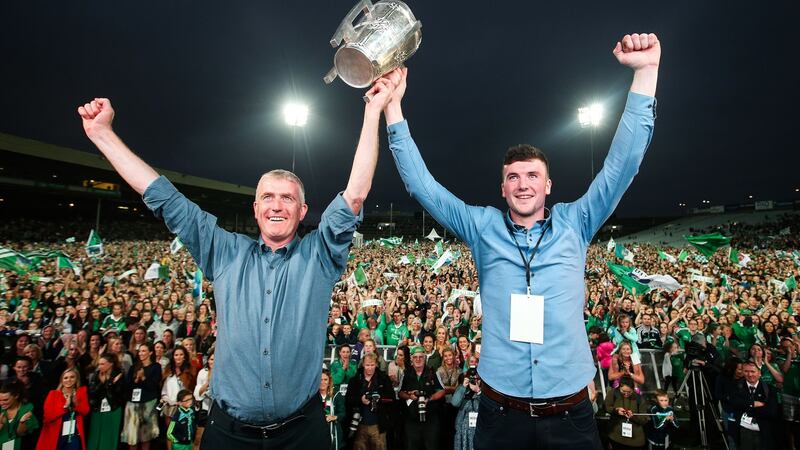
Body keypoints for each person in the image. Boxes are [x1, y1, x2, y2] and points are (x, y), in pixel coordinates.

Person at [78, 67, 400, 448]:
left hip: (302, 432)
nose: (277, 205)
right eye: (268, 196)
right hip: (228, 434)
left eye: (288, 198)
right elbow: (165, 198)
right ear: (255, 208)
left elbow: (355, 195)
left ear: (302, 211)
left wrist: (372, 111)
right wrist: (103, 134)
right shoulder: (226, 252)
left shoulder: (319, 256)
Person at [382, 32, 661, 449]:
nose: (523, 184)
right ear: (502, 187)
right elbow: (423, 188)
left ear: (549, 185)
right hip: (500, 414)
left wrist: (646, 73)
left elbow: (623, 164)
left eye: (533, 176)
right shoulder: (482, 227)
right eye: (513, 176)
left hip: (569, 414)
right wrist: (393, 108)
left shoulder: (577, 222)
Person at [399, 346, 445, 450]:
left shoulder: (433, 373)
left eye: (421, 357)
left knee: (432, 446)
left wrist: (430, 399)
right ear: (411, 358)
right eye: (415, 357)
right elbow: (400, 393)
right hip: (412, 419)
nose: (418, 359)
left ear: (425, 358)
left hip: (430, 418)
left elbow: (442, 391)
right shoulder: (406, 373)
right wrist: (409, 396)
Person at [344, 353, 393, 450]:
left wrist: (379, 399)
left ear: (376, 364)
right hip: (359, 426)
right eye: (367, 365)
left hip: (379, 426)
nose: (370, 368)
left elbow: (392, 399)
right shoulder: (355, 380)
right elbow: (348, 400)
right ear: (363, 364)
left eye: (372, 365)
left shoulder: (383, 379)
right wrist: (360, 399)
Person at [729, 361, 780, 450]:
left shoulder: (770, 389)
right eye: (746, 371)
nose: (750, 374)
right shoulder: (735, 386)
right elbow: (733, 403)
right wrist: (752, 404)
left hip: (764, 431)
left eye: (753, 371)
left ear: (759, 373)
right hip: (743, 431)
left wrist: (747, 408)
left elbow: (771, 412)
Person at [37, 368, 90, 450]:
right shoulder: (53, 394)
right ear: (61, 380)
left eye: (72, 377)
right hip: (56, 433)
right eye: (65, 378)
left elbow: (85, 411)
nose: (69, 380)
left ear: (77, 379)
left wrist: (76, 404)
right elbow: (48, 416)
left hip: (74, 433)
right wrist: (65, 407)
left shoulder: (81, 392)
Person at [121, 343, 162, 450]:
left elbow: (153, 386)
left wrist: (143, 378)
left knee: (146, 436)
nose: (141, 353)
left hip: (148, 403)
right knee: (132, 436)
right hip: (132, 404)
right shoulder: (134, 367)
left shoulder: (156, 367)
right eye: (140, 351)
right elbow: (127, 385)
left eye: (144, 351)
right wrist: (135, 380)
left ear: (150, 352)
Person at [86, 354, 126, 450]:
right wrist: (102, 383)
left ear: (111, 364)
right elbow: (91, 393)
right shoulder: (96, 375)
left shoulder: (118, 375)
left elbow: (119, 395)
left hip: (113, 410)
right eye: (99, 364)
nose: (100, 366)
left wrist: (109, 383)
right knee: (95, 438)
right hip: (97, 410)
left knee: (109, 437)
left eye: (102, 364)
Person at [604, 375, 648, 450]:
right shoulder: (613, 393)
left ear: (633, 389)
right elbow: (606, 407)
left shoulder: (639, 399)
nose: (626, 394)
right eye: (623, 391)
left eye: (629, 392)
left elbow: (644, 420)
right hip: (616, 436)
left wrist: (633, 416)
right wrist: (616, 410)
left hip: (635, 440)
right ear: (619, 387)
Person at [0, 380, 39, 450]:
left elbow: (22, 433)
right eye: (0, 400)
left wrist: (22, 422)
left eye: (5, 400)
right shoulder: (1, 410)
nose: (1, 403)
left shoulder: (27, 409)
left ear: (16, 396)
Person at [318, 370, 345, 450]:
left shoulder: (336, 395)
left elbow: (343, 413)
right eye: (320, 379)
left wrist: (334, 417)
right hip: (317, 430)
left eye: (325, 379)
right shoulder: (313, 396)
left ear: (329, 381)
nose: (323, 382)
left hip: (333, 430)